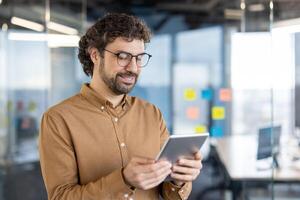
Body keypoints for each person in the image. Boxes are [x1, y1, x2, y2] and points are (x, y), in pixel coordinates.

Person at [39, 13, 202, 200]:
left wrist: (179, 180)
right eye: (123, 56)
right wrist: (123, 180)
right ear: (95, 55)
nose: (133, 67)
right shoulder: (58, 119)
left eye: (139, 58)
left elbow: (168, 194)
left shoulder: (152, 113)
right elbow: (61, 197)